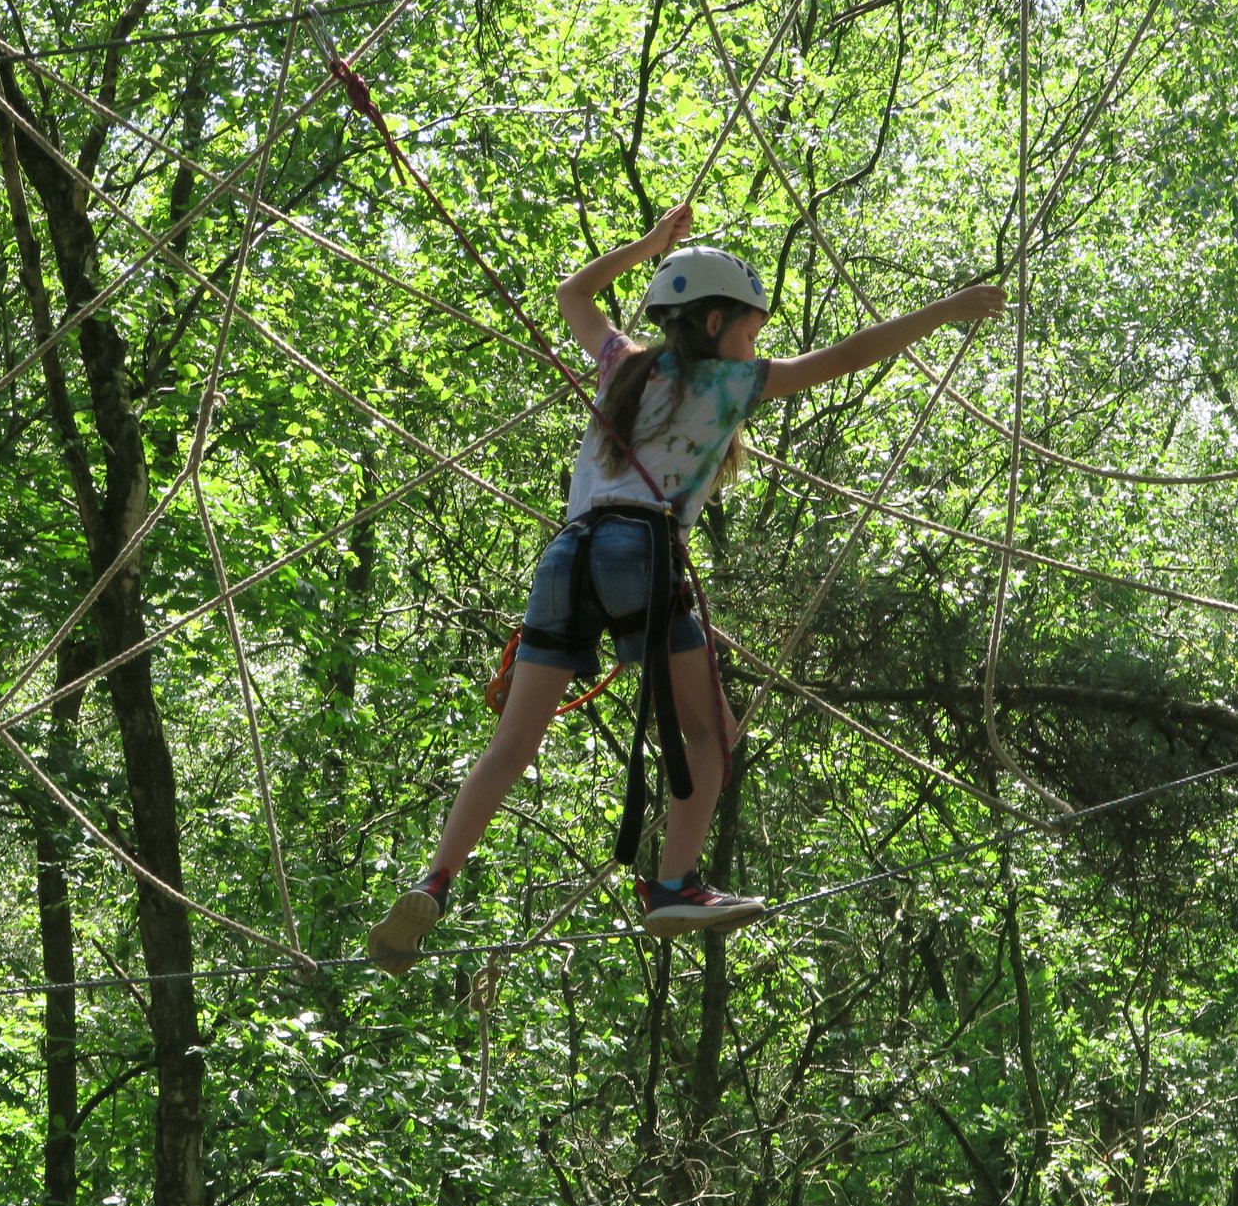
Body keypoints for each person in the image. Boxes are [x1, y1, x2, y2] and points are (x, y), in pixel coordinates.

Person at [368, 202, 1006, 974]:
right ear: (712, 322)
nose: (755, 345)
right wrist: (945, 310)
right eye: (749, 329)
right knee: (714, 736)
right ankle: (674, 882)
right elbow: (850, 353)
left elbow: (573, 293)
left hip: (567, 556)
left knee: (513, 743)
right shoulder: (734, 383)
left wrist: (645, 246)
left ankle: (435, 877)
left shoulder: (622, 362)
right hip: (642, 554)